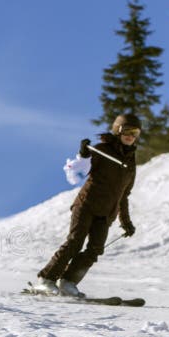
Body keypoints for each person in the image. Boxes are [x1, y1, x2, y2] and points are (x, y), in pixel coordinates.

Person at [33, 114, 140, 297]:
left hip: (106, 213)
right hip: (87, 205)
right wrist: (83, 154)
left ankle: (68, 282)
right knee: (75, 242)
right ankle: (46, 280)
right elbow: (80, 169)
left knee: (95, 249)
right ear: (117, 130)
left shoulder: (130, 162)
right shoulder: (102, 150)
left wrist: (126, 222)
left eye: (135, 132)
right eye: (126, 131)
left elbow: (124, 195)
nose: (130, 136)